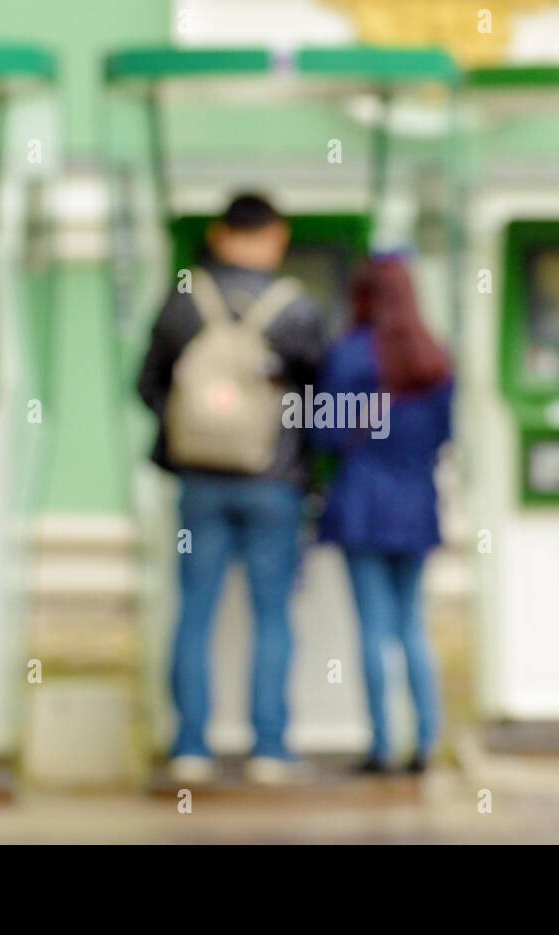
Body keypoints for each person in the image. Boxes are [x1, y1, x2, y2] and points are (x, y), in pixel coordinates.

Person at [137, 194, 325, 785]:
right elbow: (320, 402)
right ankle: (270, 748)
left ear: (219, 234)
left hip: (200, 482)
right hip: (274, 484)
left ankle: (190, 746)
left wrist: (195, 432)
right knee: (272, 613)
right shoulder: (296, 308)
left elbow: (145, 386)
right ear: (277, 235)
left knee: (194, 609)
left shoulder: (183, 297)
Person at [312, 255, 452, 774]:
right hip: (416, 501)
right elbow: (445, 434)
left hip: (362, 501)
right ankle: (428, 741)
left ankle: (382, 746)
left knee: (373, 625)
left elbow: (323, 432)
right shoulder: (435, 358)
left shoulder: (349, 355)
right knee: (412, 623)